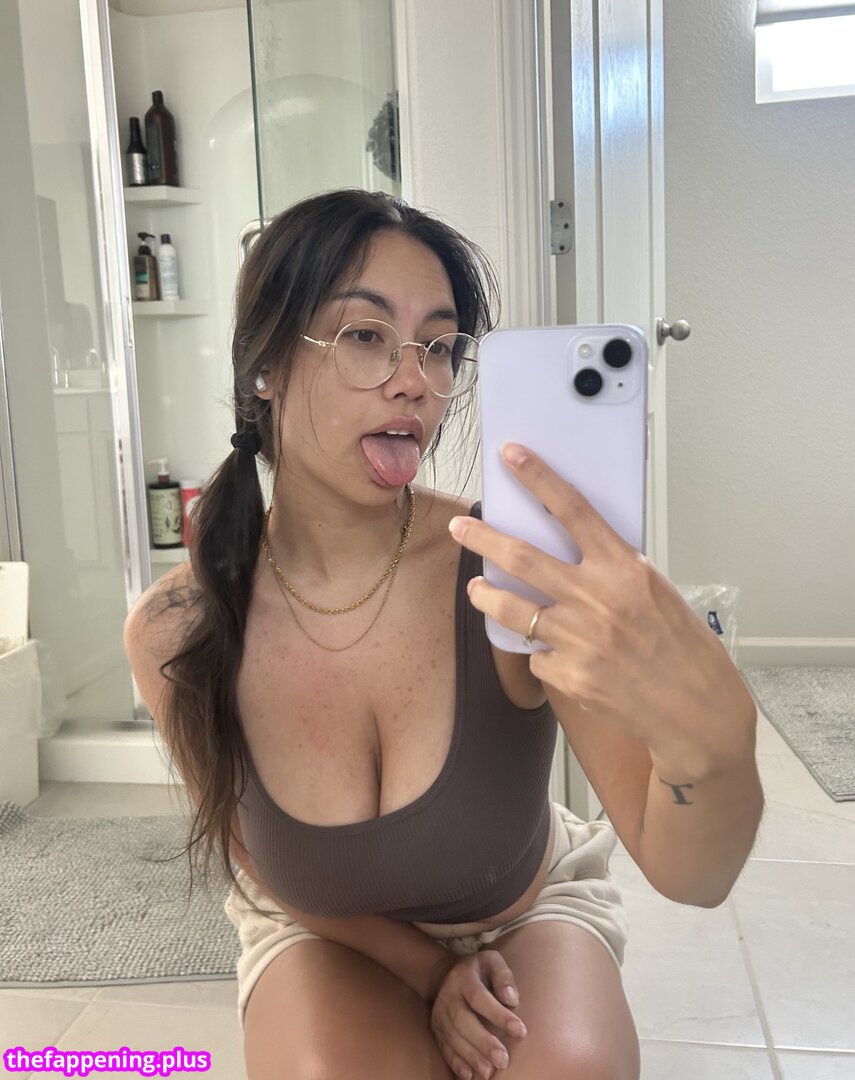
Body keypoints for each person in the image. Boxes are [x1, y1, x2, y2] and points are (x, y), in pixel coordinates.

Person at [124, 188, 763, 1080]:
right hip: (327, 925)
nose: (415, 380)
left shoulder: (511, 573)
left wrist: (712, 747)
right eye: (364, 335)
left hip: (518, 910)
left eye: (438, 345)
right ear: (264, 365)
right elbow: (249, 853)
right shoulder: (178, 630)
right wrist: (426, 973)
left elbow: (692, 876)